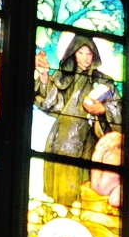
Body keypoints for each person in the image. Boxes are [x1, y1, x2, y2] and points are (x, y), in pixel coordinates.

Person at [34, 36, 121, 208]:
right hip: (60, 139)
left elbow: (120, 109)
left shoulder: (105, 82)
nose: (85, 58)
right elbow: (50, 103)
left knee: (83, 186)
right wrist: (44, 75)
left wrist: (104, 109)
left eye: (89, 54)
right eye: (81, 53)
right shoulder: (62, 78)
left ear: (95, 55)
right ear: (73, 53)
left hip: (89, 142)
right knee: (58, 185)